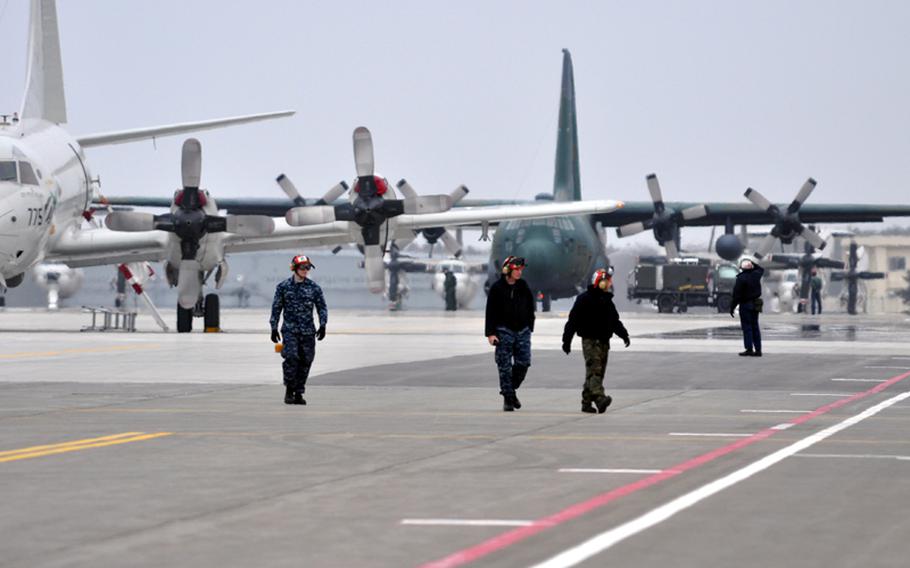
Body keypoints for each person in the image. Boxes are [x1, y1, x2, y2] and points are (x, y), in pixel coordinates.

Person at [562, 269, 630, 414]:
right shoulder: (584, 299)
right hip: (590, 341)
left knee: (595, 372)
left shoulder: (607, 301)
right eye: (605, 281)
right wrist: (566, 340)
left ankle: (586, 403)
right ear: (597, 281)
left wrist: (624, 335)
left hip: (604, 341)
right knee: (595, 371)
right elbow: (572, 321)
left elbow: (614, 321)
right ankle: (600, 399)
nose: (607, 284)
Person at [270, 255, 328, 405]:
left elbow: (321, 307)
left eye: (308, 268)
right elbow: (276, 308)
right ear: (294, 268)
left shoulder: (314, 288)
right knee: (291, 357)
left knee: (306, 361)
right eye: (303, 267)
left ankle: (298, 393)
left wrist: (323, 325)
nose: (306, 270)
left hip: (308, 331)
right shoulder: (283, 287)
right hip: (290, 330)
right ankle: (289, 390)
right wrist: (274, 327)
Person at [484, 256, 535, 411]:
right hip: (503, 331)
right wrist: (490, 333)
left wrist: (529, 327)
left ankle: (510, 392)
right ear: (508, 270)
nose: (520, 272)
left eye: (521, 269)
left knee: (523, 363)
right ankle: (508, 399)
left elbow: (529, 307)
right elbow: (490, 312)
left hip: (522, 331)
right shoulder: (497, 288)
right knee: (504, 367)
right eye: (517, 269)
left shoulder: (523, 286)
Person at [730, 258, 764, 357]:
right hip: (756, 303)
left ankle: (749, 349)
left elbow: (736, 295)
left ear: (742, 268)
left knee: (747, 327)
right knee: (755, 327)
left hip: (746, 304)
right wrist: (753, 262)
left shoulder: (741, 278)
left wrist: (732, 307)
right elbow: (761, 269)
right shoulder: (756, 275)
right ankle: (758, 350)